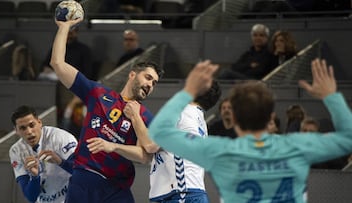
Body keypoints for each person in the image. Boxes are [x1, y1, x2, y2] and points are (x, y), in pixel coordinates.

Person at [149, 58, 352, 202]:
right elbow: (348, 138)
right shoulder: (297, 146)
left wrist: (188, 92)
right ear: (271, 116)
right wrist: (331, 96)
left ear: (233, 118)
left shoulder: (221, 152)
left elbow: (159, 131)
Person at [49, 17, 164, 203]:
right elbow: (58, 64)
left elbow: (146, 155)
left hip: (115, 188)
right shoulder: (98, 93)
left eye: (154, 83)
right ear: (132, 74)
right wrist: (64, 27)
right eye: (148, 78)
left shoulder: (144, 116)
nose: (150, 84)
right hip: (84, 179)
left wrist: (114, 146)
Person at [149, 80, 221, 203]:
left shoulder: (182, 111)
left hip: (183, 193)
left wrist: (135, 116)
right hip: (188, 191)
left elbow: (150, 146)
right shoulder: (199, 118)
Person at [9, 105, 77, 203]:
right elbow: (31, 197)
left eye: (32, 125)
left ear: (39, 123)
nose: (29, 131)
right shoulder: (16, 151)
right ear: (16, 131)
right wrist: (34, 177)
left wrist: (60, 162)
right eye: (22, 128)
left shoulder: (61, 138)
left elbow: (83, 173)